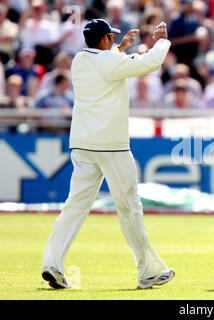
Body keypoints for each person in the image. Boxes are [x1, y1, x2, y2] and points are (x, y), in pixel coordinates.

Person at [41, 19, 175, 290]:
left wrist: (120, 49)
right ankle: (148, 271)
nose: (114, 40)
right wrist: (161, 41)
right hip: (112, 147)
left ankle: (52, 263)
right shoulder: (110, 62)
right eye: (111, 38)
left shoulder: (79, 60)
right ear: (103, 40)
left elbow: (107, 65)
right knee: (129, 208)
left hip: (82, 144)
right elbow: (148, 63)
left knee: (74, 206)